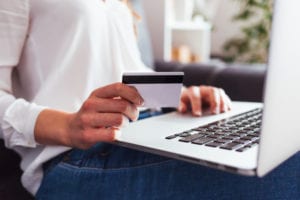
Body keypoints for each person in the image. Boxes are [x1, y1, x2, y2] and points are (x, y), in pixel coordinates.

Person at [0, 1, 299, 200]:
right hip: (73, 158)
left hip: (146, 130)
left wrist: (181, 96)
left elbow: (129, 75)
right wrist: (68, 126)